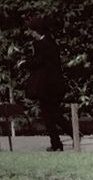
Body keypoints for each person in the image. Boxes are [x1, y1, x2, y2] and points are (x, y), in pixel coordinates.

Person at [24, 16, 67, 151]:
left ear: (37, 31)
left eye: (32, 31)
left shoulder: (43, 44)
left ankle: (66, 137)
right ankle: (59, 141)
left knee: (51, 114)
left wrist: (24, 63)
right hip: (50, 85)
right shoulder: (49, 42)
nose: (31, 34)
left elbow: (38, 62)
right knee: (52, 114)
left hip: (48, 86)